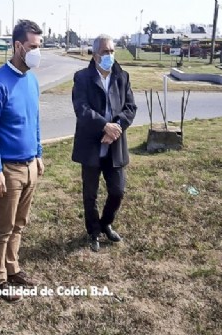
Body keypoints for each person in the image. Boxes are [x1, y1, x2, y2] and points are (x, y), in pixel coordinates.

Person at [0, 19, 44, 303]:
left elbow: (35, 120)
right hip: (8, 168)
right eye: (32, 47)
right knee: (4, 227)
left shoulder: (31, 80)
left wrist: (39, 154)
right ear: (18, 46)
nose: (36, 52)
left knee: (19, 224)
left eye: (39, 46)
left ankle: (13, 268)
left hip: (30, 165)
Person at [71, 34, 137, 253]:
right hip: (91, 144)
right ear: (95, 54)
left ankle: (106, 222)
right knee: (90, 194)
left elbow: (130, 108)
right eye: (105, 52)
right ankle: (93, 231)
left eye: (111, 51)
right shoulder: (82, 77)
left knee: (117, 191)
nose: (109, 55)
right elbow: (81, 108)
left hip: (114, 145)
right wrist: (103, 126)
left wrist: (115, 128)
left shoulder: (122, 76)